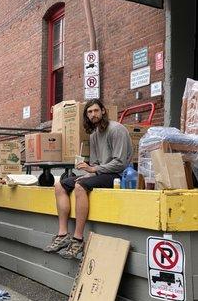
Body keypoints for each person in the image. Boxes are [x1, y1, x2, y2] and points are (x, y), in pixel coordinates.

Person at [44, 99, 132, 259]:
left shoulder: (117, 130)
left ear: (103, 111)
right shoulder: (94, 135)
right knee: (60, 185)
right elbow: (97, 163)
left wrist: (93, 170)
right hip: (101, 173)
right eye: (89, 112)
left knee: (80, 186)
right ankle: (63, 234)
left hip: (119, 176)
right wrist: (88, 170)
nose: (93, 114)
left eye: (96, 111)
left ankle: (78, 238)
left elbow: (120, 163)